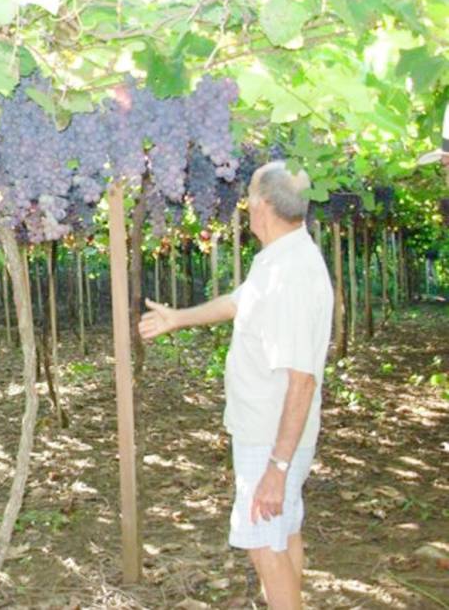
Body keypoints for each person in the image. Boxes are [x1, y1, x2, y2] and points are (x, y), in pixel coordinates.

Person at [139, 161, 333, 609]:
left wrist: (276, 469)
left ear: (261, 204)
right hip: (271, 432)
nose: (244, 203)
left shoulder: (292, 274)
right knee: (282, 533)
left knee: (262, 542)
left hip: (271, 438)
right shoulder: (282, 258)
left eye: (248, 195)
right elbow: (239, 302)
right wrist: (178, 318)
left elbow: (302, 380)